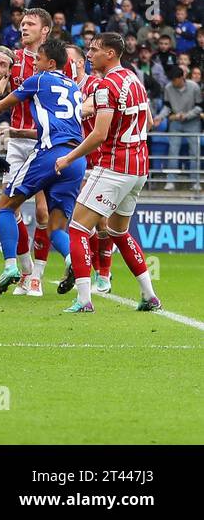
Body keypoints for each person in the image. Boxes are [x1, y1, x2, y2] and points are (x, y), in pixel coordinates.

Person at [55, 33, 160, 313]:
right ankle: (149, 295)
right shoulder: (134, 80)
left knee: (77, 228)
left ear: (110, 54)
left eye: (94, 50)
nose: (89, 55)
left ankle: (84, 299)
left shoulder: (105, 85)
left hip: (115, 166)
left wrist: (69, 157)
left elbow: (100, 134)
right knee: (118, 232)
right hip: (139, 167)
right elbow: (148, 121)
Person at [0, 38, 88, 299]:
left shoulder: (39, 80)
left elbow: (0, 106)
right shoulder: (75, 88)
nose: (33, 62)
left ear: (51, 63)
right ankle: (70, 261)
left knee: (5, 206)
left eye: (38, 59)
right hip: (76, 158)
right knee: (56, 228)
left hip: (50, 153)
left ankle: (11, 266)